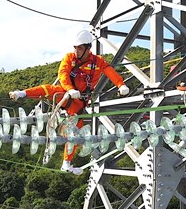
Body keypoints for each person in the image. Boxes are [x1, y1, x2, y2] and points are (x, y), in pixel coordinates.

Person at [9, 30, 130, 174]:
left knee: (75, 130)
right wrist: (70, 89)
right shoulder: (70, 58)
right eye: (75, 47)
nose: (76, 51)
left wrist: (120, 85)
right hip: (67, 93)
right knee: (50, 89)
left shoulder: (97, 62)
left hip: (79, 103)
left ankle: (66, 163)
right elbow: (63, 74)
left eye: (79, 48)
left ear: (87, 48)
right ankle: (21, 93)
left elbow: (109, 71)